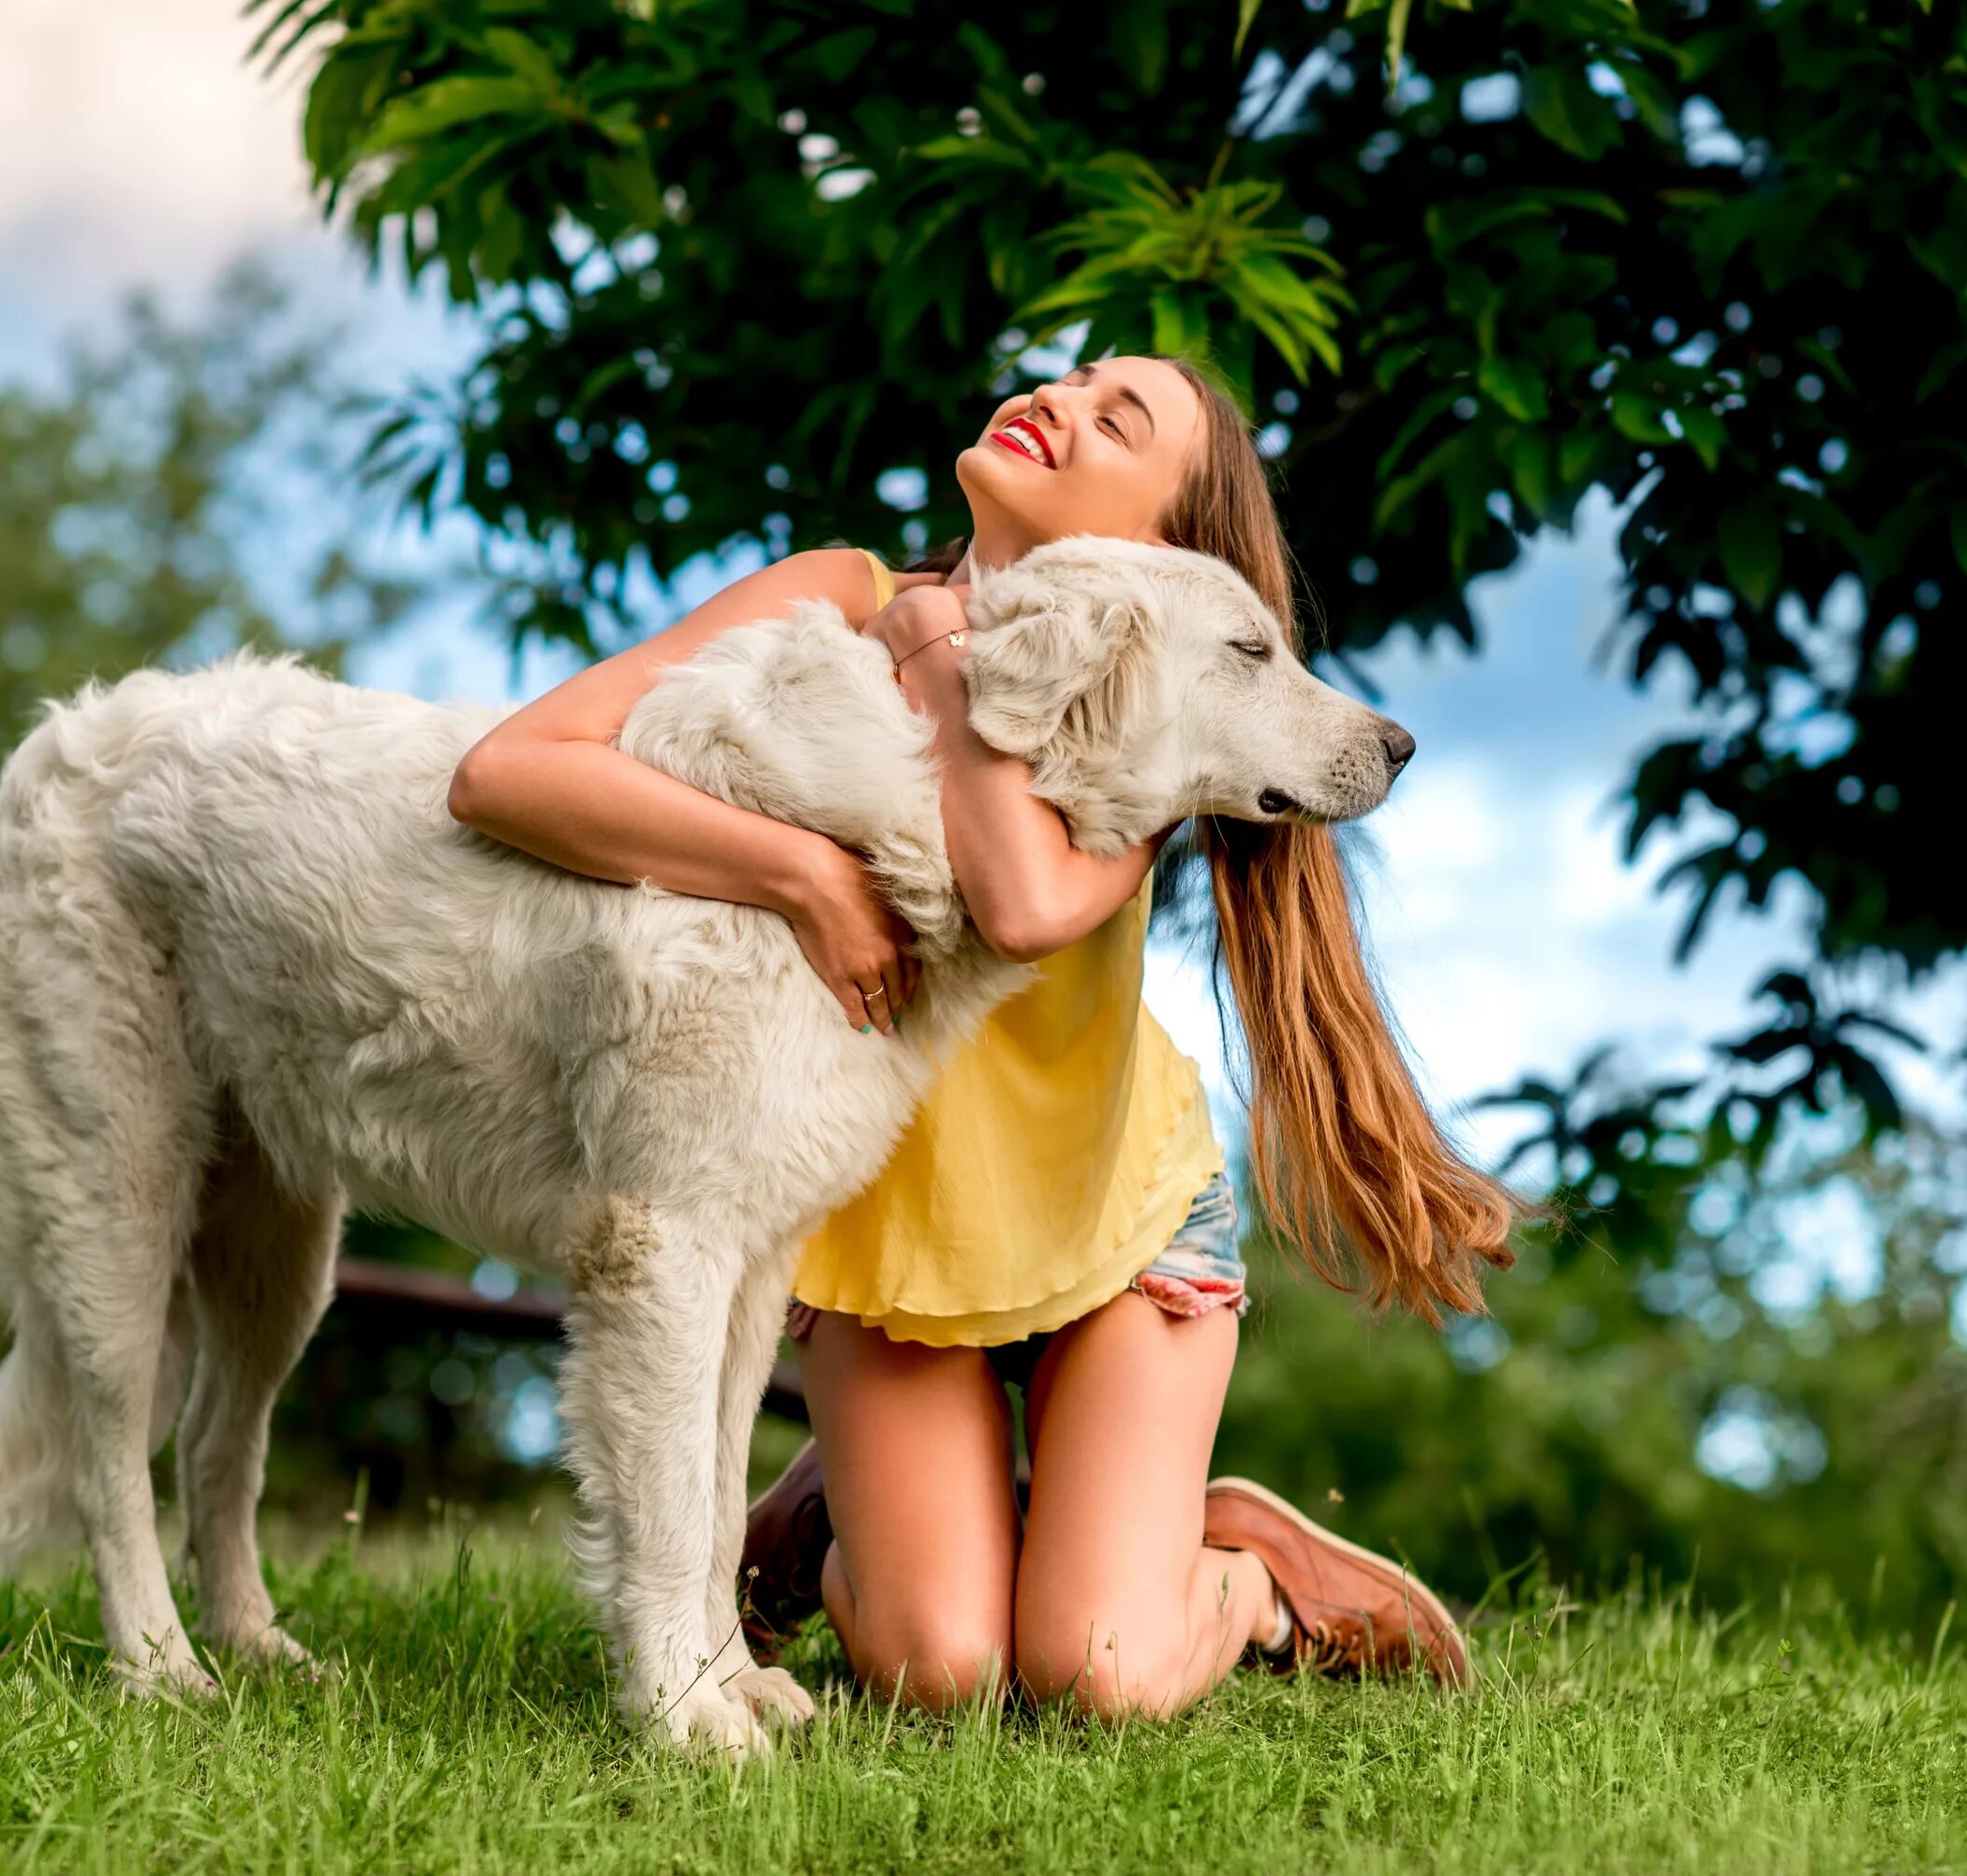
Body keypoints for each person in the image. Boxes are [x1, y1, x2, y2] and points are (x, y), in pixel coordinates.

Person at [446, 353, 1517, 1719]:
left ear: (1165, 553)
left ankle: (1239, 1572)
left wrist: (947, 647)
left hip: (1109, 1234)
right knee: (938, 1669)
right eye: (1067, 379)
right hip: (895, 1247)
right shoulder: (843, 598)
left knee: (1097, 1675)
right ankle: (852, 1513)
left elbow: (1014, 901)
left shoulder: (1152, 716)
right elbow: (509, 772)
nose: (1059, 401)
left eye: (1116, 419)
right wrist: (800, 874)